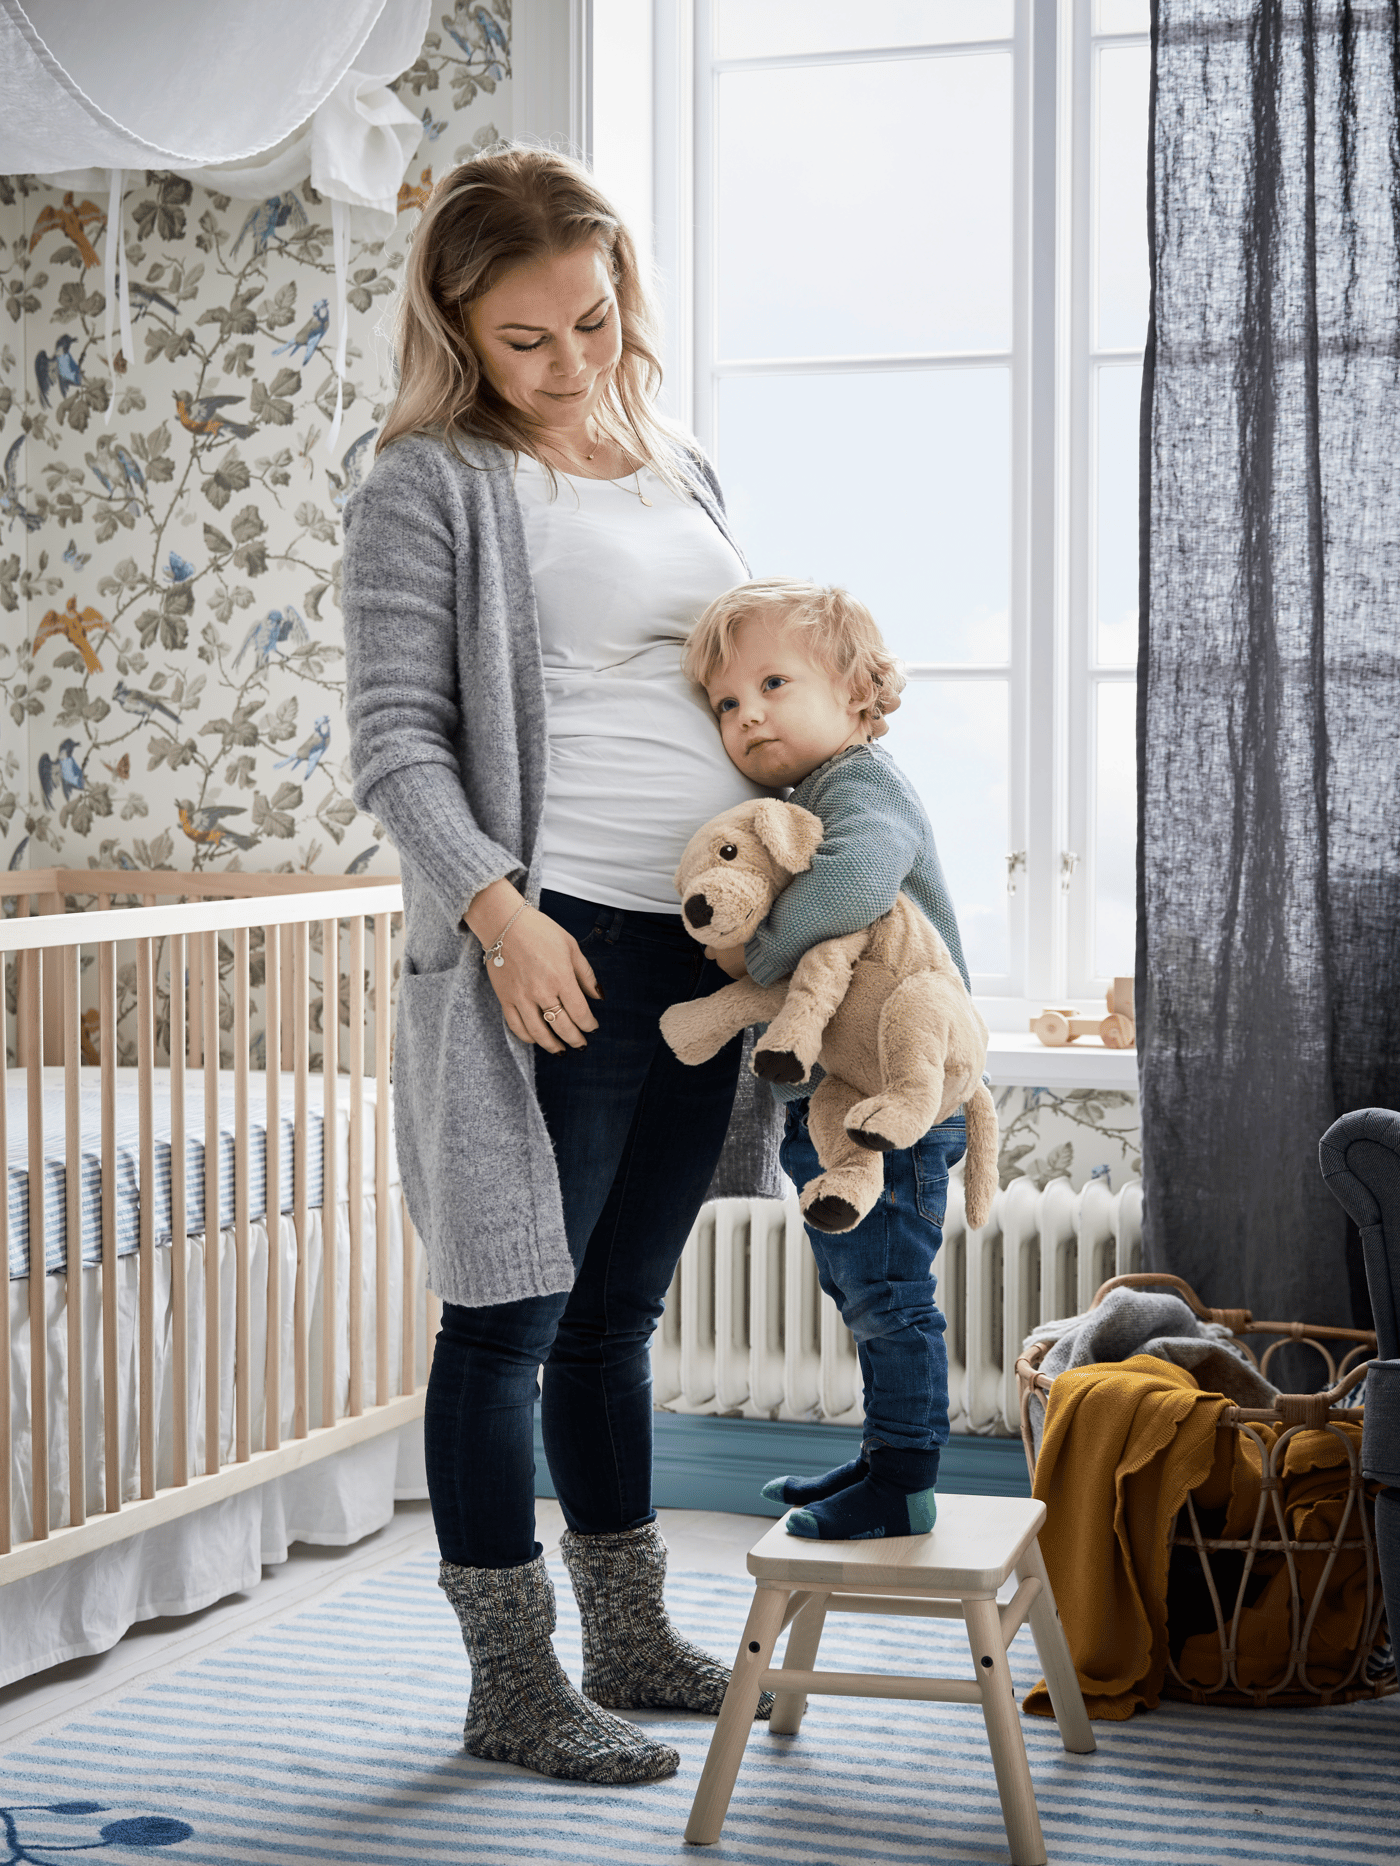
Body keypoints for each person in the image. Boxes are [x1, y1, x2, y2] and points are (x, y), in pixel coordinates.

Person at [341, 146, 781, 1786]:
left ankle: (631, 1631)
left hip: (695, 950)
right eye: (527, 339)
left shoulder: (684, 467)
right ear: (460, 330)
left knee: (617, 1318)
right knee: (508, 1316)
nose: (571, 361)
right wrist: (498, 912)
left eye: (593, 320)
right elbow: (397, 746)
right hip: (554, 942)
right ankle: (512, 1684)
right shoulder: (429, 483)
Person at [682, 578, 973, 1543]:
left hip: (902, 1093)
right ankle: (882, 1452)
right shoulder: (799, 798)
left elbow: (854, 882)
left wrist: (756, 959)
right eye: (728, 703)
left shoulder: (862, 787)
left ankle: (903, 1485)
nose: (748, 713)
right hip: (839, 1097)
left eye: (773, 683)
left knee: (889, 1293)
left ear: (857, 694)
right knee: (858, 1284)